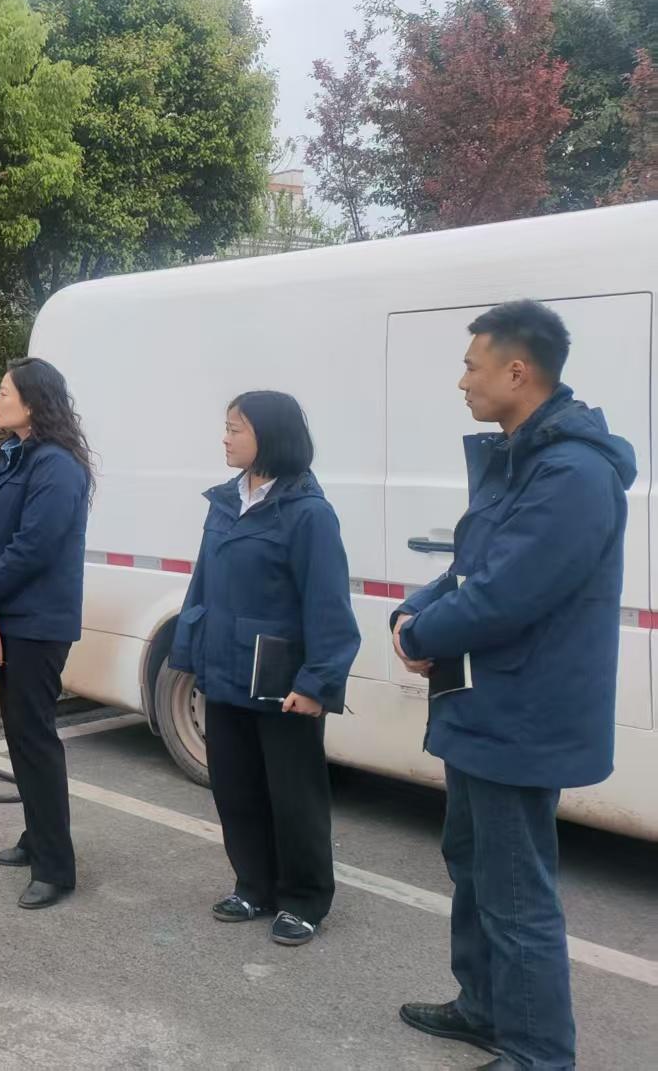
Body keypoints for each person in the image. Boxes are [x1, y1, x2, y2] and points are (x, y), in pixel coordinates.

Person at [394, 301, 633, 1071]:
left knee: (517, 891)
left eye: (472, 365)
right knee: (473, 863)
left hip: (522, 714)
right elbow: (473, 568)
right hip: (484, 707)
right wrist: (413, 610)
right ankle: (485, 1006)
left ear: (518, 371)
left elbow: (506, 594)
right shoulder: (521, 459)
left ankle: (538, 1052)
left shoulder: (572, 474)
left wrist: (421, 635)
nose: (462, 380)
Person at [168, 391, 359, 948]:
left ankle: (304, 899)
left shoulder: (308, 513)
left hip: (280, 680)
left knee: (293, 796)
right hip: (224, 671)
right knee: (236, 788)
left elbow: (328, 605)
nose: (225, 438)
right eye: (227, 427)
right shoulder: (226, 502)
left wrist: (317, 682)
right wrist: (191, 655)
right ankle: (253, 885)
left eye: (236, 428)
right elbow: (202, 586)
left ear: (269, 436)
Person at [0, 357, 93, 910]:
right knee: (19, 736)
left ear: (33, 404)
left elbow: (35, 545)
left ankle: (56, 867)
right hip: (4, 618)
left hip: (37, 623)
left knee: (35, 739)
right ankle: (36, 837)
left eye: (5, 393)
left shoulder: (57, 466)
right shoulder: (14, 456)